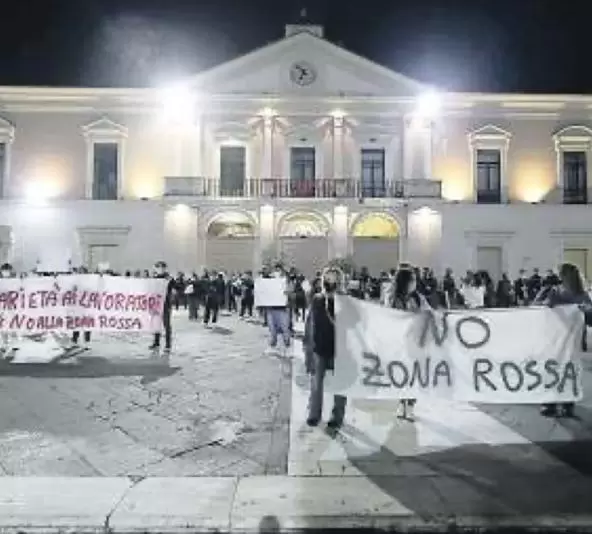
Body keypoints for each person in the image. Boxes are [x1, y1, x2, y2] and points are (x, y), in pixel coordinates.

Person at [534, 262, 591, 418]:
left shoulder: (582, 295)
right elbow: (534, 309)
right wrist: (545, 304)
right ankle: (550, 402)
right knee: (552, 368)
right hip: (553, 338)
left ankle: (566, 402)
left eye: (562, 274)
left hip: (572, 339)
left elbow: (591, 319)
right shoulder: (552, 292)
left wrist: (587, 311)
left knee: (569, 370)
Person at [304, 268, 347, 429]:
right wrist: (309, 347)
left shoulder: (345, 300)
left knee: (341, 384)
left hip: (341, 348)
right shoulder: (317, 299)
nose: (331, 280)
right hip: (320, 347)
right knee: (316, 383)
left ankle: (337, 417)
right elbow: (311, 324)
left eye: (334, 277)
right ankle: (314, 414)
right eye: (328, 277)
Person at [391, 266, 431, 421]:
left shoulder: (419, 298)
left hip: (416, 342)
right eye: (412, 279)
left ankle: (411, 405)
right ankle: (401, 403)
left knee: (414, 375)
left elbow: (428, 312)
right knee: (401, 374)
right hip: (400, 344)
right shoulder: (394, 299)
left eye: (415, 279)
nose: (415, 282)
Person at [149, 261, 175, 355]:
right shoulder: (154, 279)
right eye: (158, 268)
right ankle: (156, 342)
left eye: (162, 268)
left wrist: (172, 282)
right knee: (156, 324)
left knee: (166, 325)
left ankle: (168, 345)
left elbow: (177, 287)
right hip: (156, 304)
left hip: (166, 304)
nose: (160, 269)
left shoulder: (169, 278)